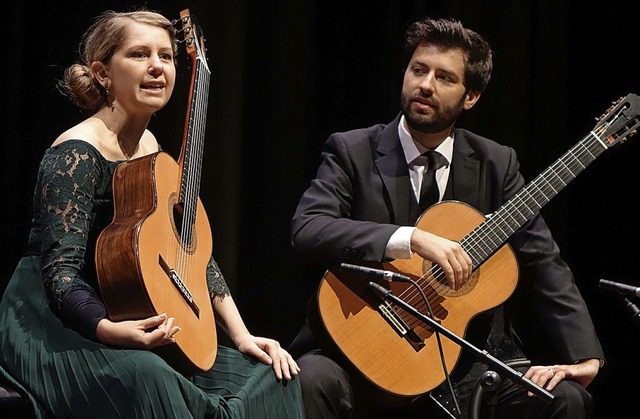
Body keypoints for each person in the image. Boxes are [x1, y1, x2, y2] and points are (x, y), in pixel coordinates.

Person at [288, 17, 604, 419]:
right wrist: (411, 239)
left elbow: (543, 259)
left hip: (466, 363)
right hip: (362, 352)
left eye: (444, 77)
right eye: (418, 70)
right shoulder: (353, 151)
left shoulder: (496, 163)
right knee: (313, 378)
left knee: (566, 401)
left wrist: (586, 355)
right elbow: (308, 228)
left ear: (470, 96)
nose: (425, 85)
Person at [0, 9, 304, 418]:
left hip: (129, 305)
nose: (158, 67)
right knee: (151, 381)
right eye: (140, 54)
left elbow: (194, 252)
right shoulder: (75, 153)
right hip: (56, 319)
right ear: (103, 72)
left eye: (167, 56)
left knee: (270, 374)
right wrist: (109, 329)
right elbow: (61, 275)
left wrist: (242, 334)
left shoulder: (152, 148)